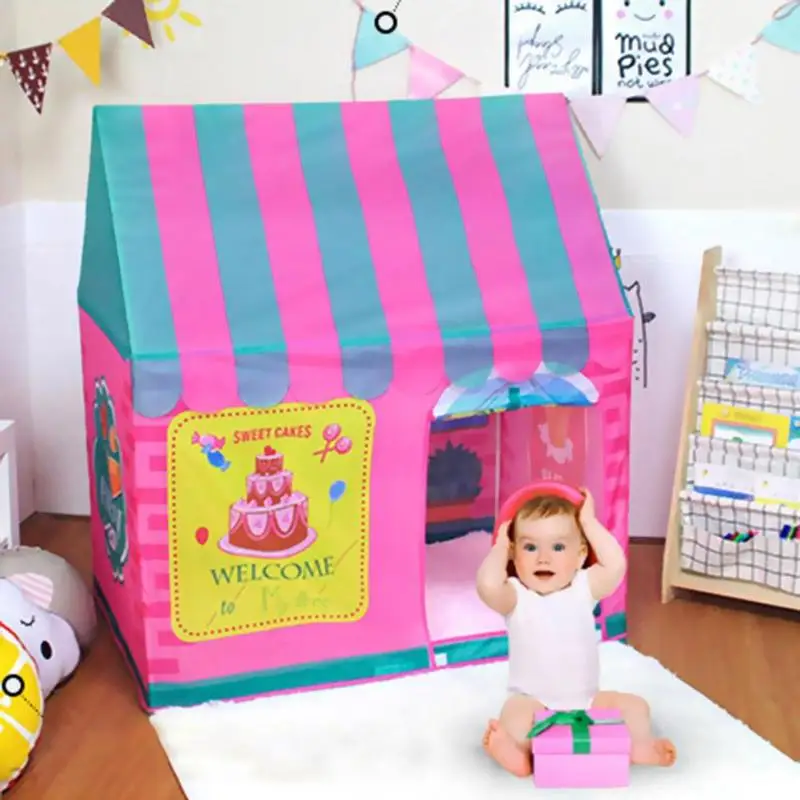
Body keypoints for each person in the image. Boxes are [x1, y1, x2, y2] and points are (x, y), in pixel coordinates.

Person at [477, 486, 676, 777]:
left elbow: (615, 564)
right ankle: (519, 754)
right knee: (513, 717)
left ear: (581, 555)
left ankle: (639, 746)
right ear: (514, 555)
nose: (543, 558)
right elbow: (487, 585)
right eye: (530, 547)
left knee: (636, 708)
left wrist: (589, 523)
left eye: (558, 547)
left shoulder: (583, 588)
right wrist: (499, 547)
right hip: (534, 701)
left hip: (587, 702)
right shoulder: (516, 596)